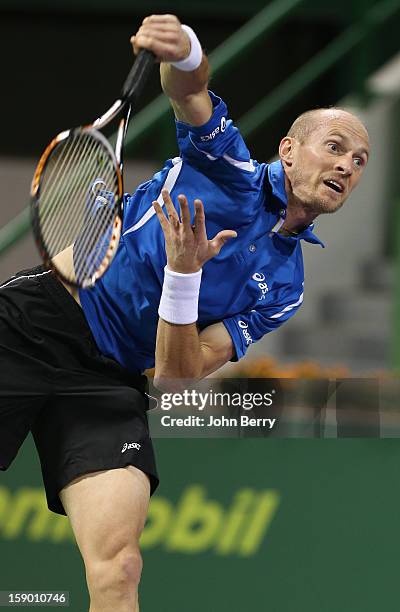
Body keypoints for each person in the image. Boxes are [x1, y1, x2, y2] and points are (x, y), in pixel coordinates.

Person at [0, 13, 370, 612]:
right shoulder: (225, 167)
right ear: (289, 149)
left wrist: (183, 277)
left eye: (359, 161)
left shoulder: (284, 286)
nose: (346, 167)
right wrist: (187, 46)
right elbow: (189, 89)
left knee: (119, 566)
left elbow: (176, 377)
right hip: (32, 323)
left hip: (110, 379)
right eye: (334, 147)